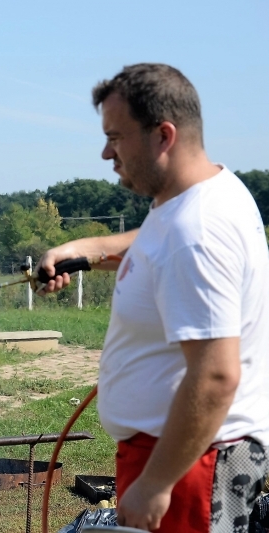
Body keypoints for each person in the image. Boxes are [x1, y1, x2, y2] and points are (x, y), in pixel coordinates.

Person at [37, 63, 269, 532]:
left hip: (190, 461)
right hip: (177, 451)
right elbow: (154, 243)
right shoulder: (197, 196)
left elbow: (216, 375)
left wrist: (157, 483)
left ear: (163, 135)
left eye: (116, 137)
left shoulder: (197, 231)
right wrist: (83, 250)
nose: (106, 153)